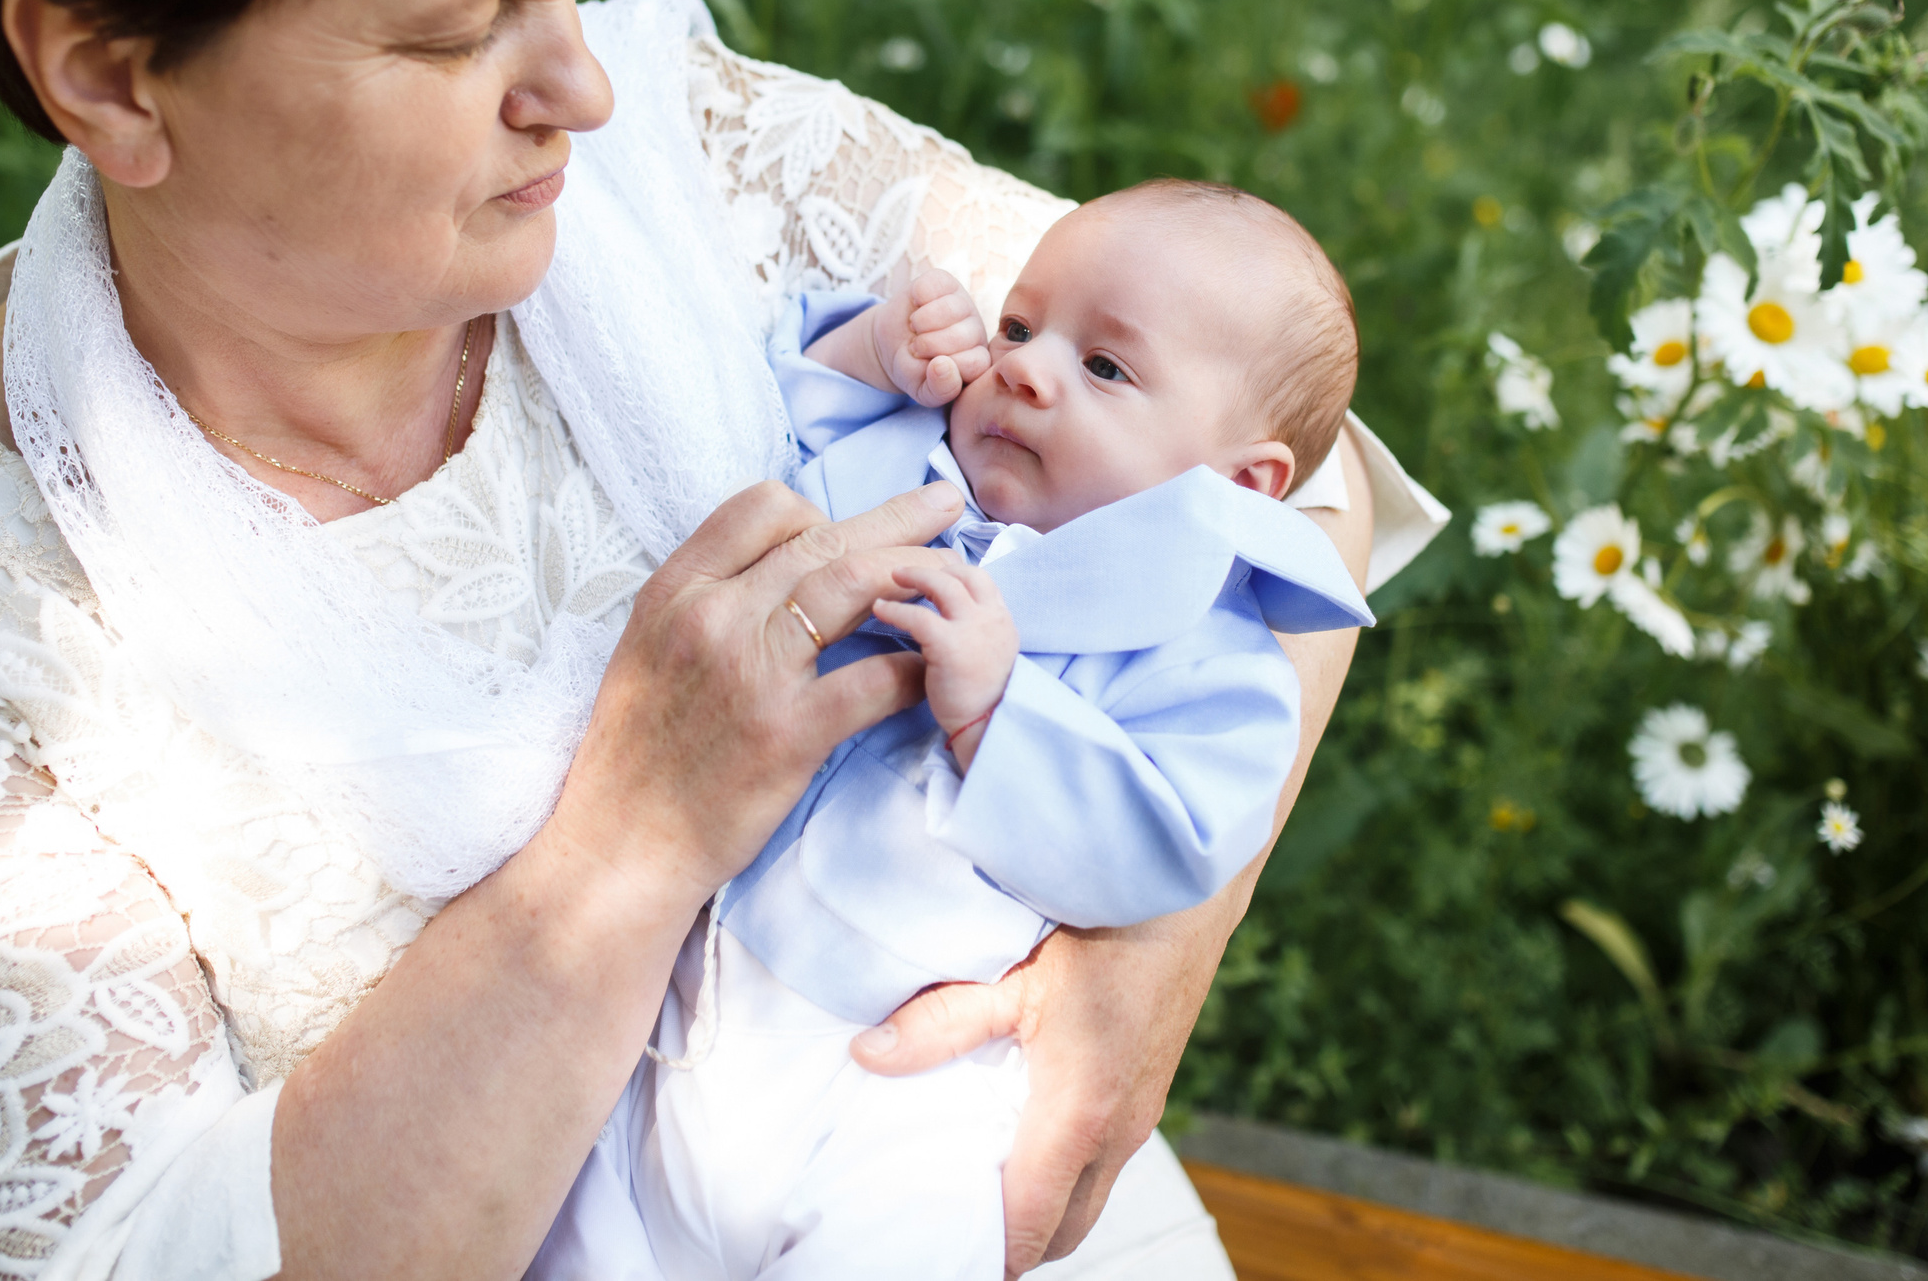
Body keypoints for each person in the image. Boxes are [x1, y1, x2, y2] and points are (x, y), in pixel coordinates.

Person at [0, 0, 1445, 1278]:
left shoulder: (698, 159)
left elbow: (1300, 469)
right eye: (460, 22)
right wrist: (632, 841)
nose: (585, 86)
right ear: (111, 76)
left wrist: (1128, 986)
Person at [538, 185, 1373, 1278]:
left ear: (1236, 487)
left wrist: (999, 713)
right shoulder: (922, 466)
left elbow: (1170, 838)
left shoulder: (1208, 659)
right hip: (683, 1008)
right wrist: (876, 346)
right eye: (1021, 328)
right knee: (574, 1234)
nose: (1023, 368)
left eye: (1105, 368)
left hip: (895, 1088)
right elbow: (787, 419)